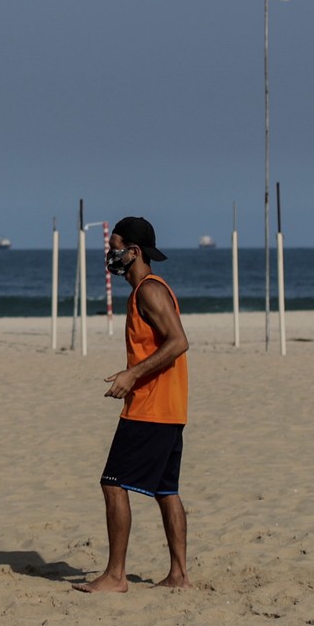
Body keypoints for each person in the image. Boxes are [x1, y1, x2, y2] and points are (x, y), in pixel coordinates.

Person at [76, 216, 191, 593]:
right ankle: (178, 576)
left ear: (135, 252)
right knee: (166, 490)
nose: (109, 254)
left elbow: (178, 341)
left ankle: (115, 576)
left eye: (114, 248)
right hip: (169, 410)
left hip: (151, 409)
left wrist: (132, 375)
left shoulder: (149, 290)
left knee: (112, 483)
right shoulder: (144, 290)